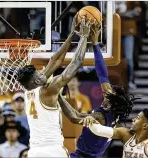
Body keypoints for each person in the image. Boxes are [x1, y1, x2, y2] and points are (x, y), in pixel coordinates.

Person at [16, 15, 92, 157]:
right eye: (39, 73)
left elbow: (55, 60)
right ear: (37, 81)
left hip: (34, 151)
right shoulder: (49, 89)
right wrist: (84, 37)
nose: (42, 72)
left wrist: (71, 34)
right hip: (53, 150)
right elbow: (77, 62)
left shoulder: (29, 90)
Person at [58, 23, 137, 158]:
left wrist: (58, 97)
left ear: (111, 102)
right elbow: (102, 74)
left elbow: (73, 116)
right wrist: (95, 43)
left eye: (109, 95)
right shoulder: (113, 112)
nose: (106, 92)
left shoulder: (100, 117)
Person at [84, 103, 148, 157]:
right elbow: (99, 130)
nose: (133, 119)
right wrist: (92, 120)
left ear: (145, 125)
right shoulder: (125, 134)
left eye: (137, 118)